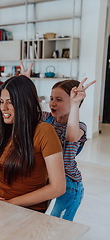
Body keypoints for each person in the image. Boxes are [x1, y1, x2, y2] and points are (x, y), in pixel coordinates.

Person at [0, 75, 66, 213]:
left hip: (28, 211)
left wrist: (11, 203)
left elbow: (58, 187)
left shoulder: (45, 132)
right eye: (1, 101)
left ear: (25, 103)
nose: (3, 108)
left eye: (10, 102)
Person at [19, 62, 96, 220]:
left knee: (59, 224)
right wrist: (25, 85)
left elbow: (71, 137)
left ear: (76, 102)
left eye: (59, 99)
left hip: (69, 185)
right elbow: (27, 110)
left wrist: (75, 103)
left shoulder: (79, 127)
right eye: (52, 98)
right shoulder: (46, 117)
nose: (53, 102)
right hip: (46, 179)